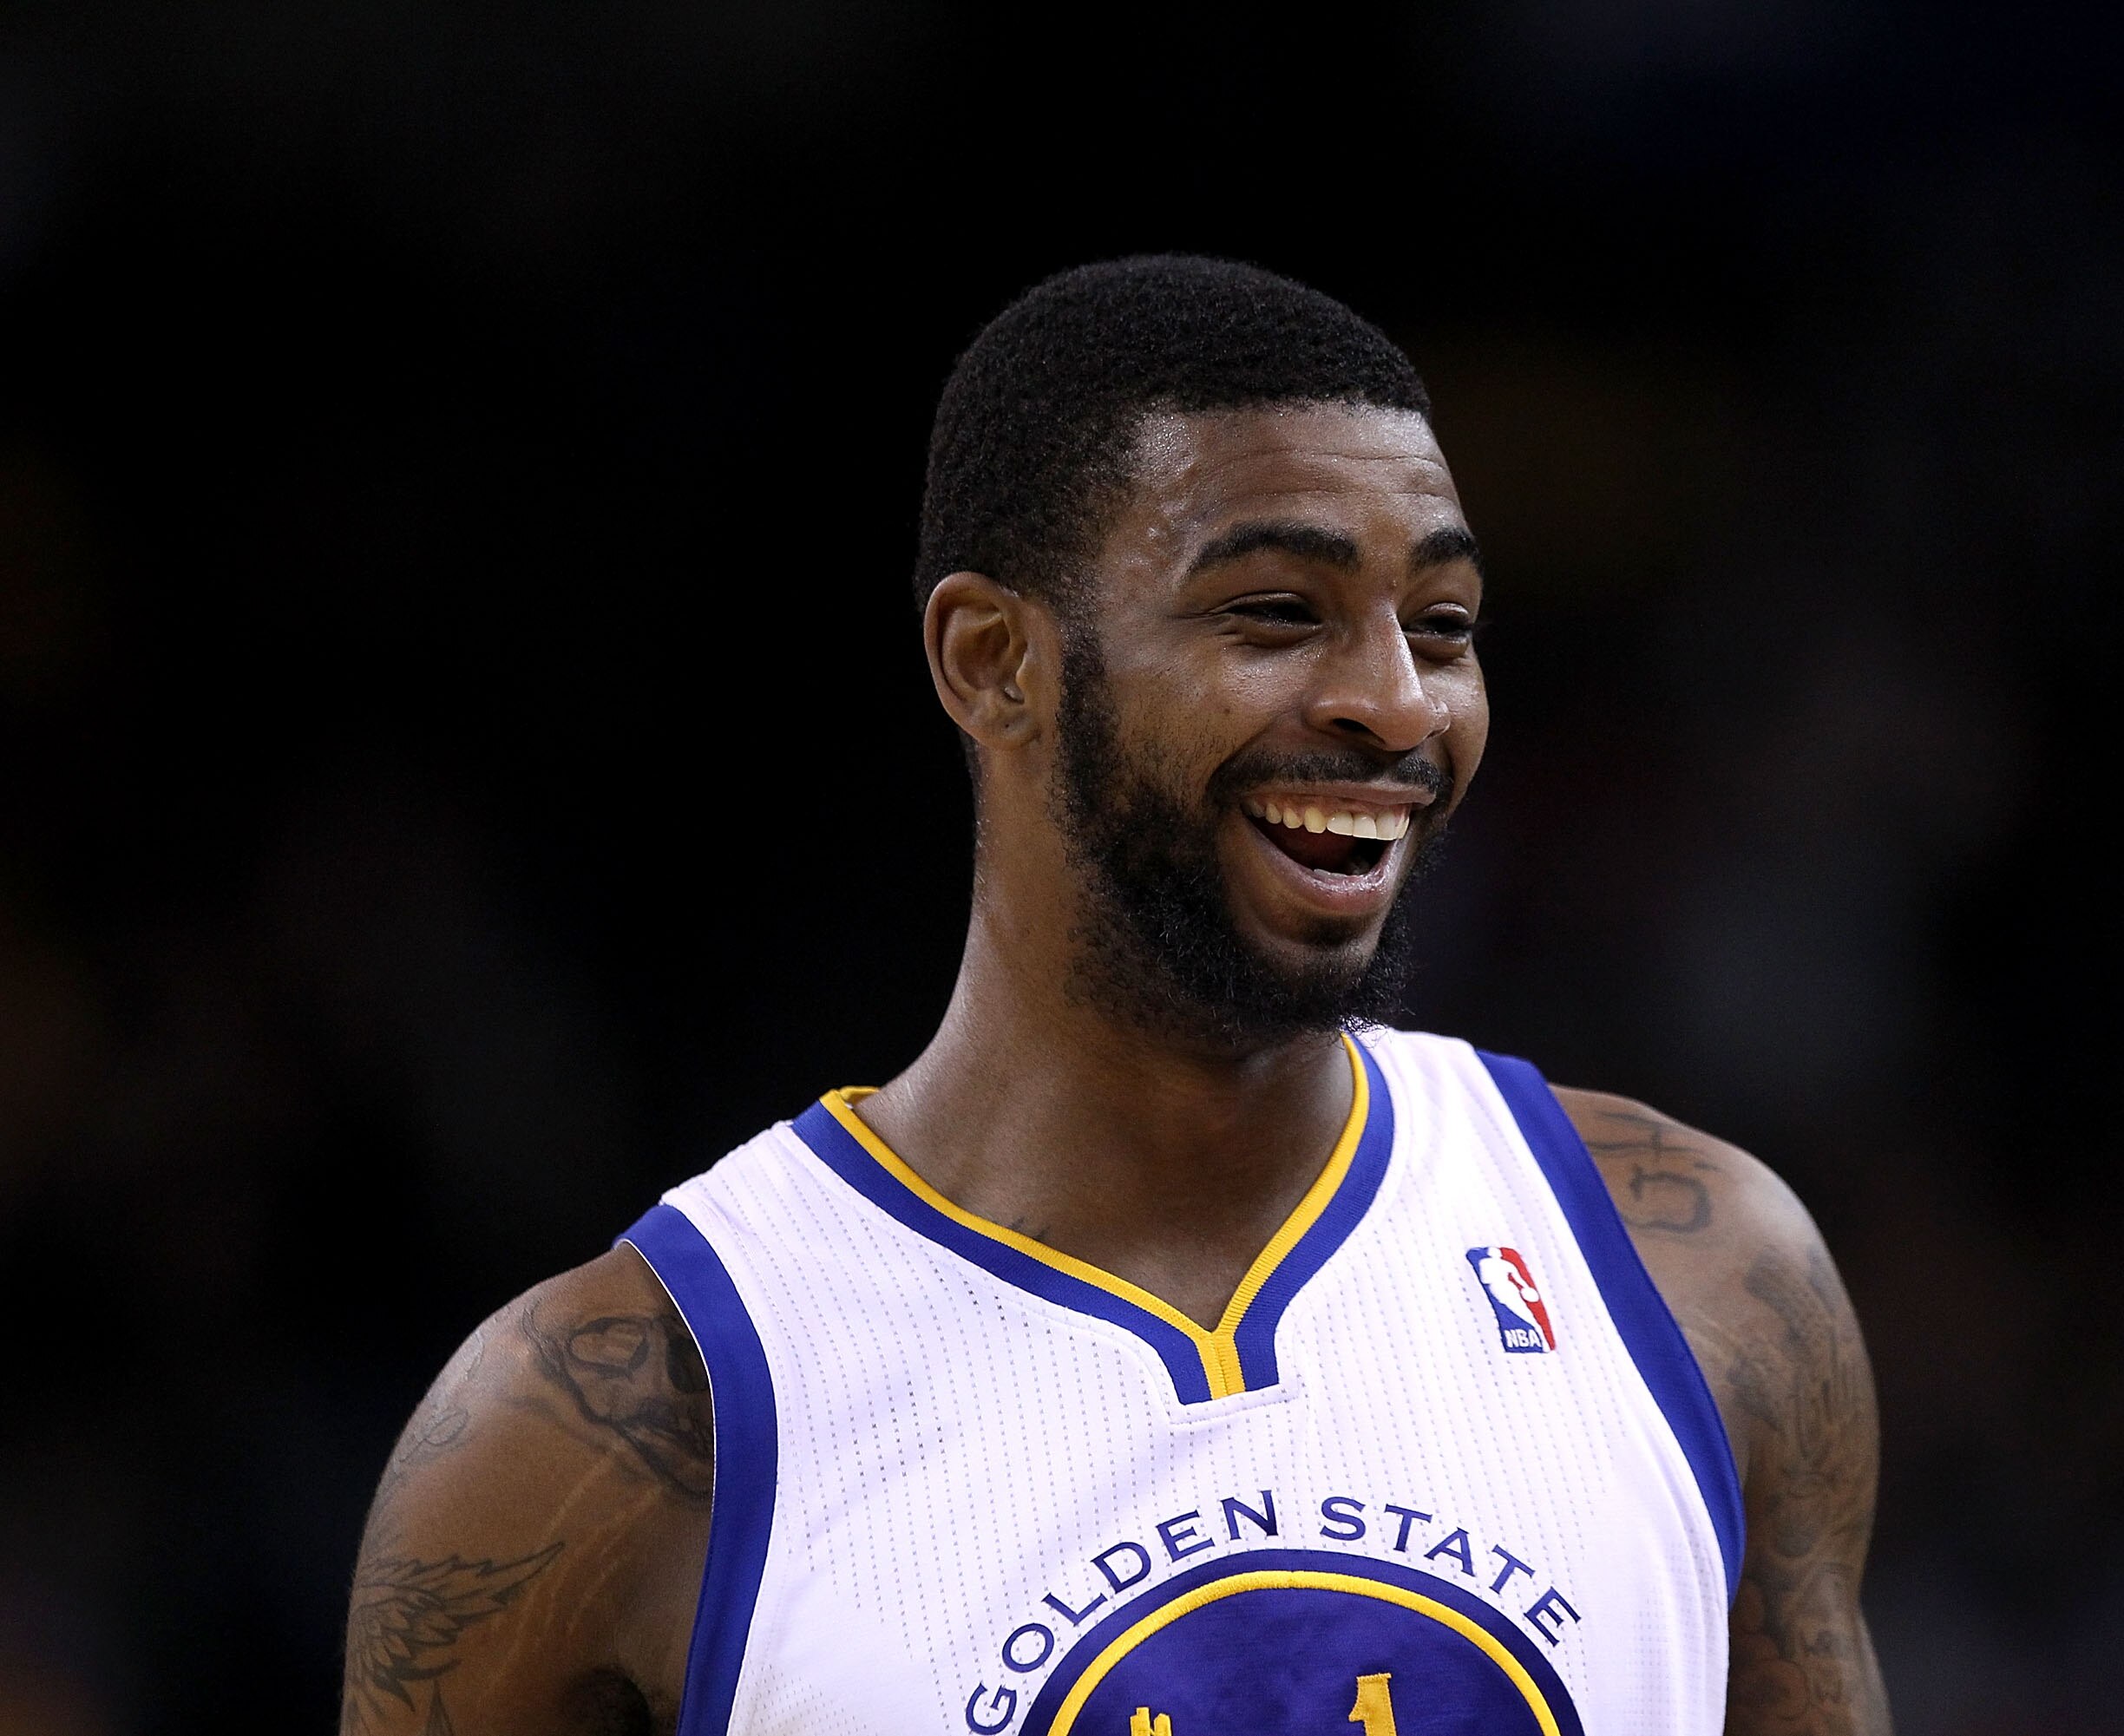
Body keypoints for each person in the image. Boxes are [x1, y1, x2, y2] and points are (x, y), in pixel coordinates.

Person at [339, 257, 1889, 1736]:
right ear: (992, 660)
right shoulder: (614, 1428)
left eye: (1442, 627)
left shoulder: (1696, 1272)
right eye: (1276, 612)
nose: (1396, 702)